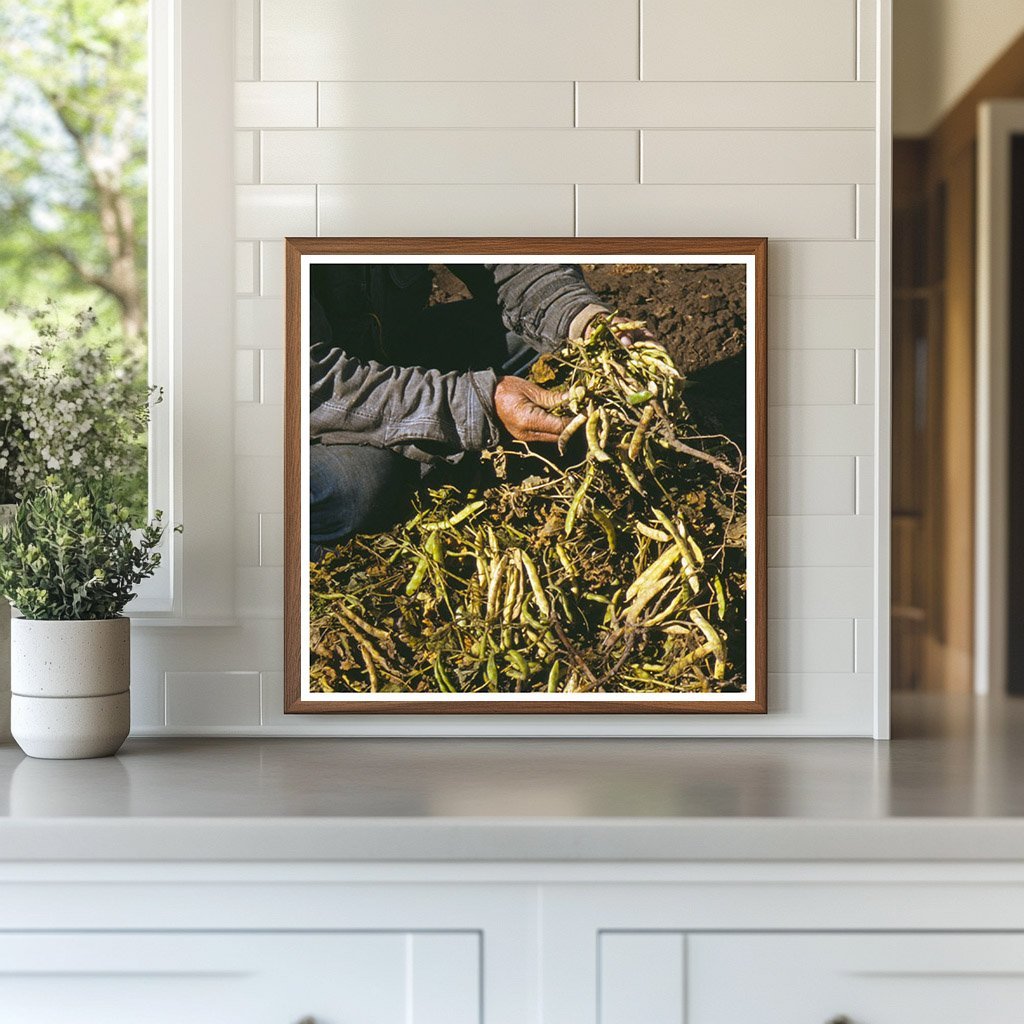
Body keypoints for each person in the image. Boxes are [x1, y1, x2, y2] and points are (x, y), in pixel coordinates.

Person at [308, 262, 651, 558]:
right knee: (360, 484)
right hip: (296, 413)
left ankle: (427, 449)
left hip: (385, 357)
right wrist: (478, 403)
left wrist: (580, 319)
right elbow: (313, 384)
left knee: (545, 340)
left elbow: (503, 258)